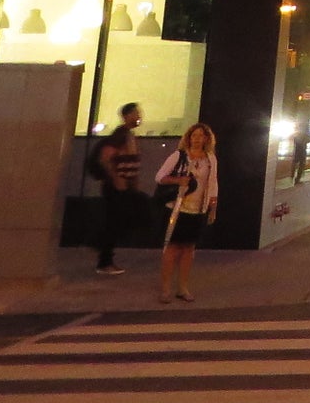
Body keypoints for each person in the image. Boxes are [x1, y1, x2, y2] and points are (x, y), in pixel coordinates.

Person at [154, 124, 219, 303]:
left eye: (201, 136)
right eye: (194, 135)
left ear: (207, 139)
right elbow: (159, 177)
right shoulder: (179, 156)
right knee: (172, 248)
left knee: (189, 249)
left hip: (198, 209)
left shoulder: (210, 159)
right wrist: (178, 180)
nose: (197, 139)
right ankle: (165, 288)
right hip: (177, 208)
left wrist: (212, 206)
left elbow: (212, 184)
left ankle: (182, 287)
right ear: (189, 138)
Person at [92, 102, 144, 275]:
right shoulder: (120, 135)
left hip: (124, 186)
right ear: (126, 116)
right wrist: (116, 178)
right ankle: (104, 260)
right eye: (136, 113)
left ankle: (103, 252)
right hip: (115, 187)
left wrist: (133, 182)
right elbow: (105, 158)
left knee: (120, 221)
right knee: (113, 222)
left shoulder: (129, 135)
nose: (139, 117)